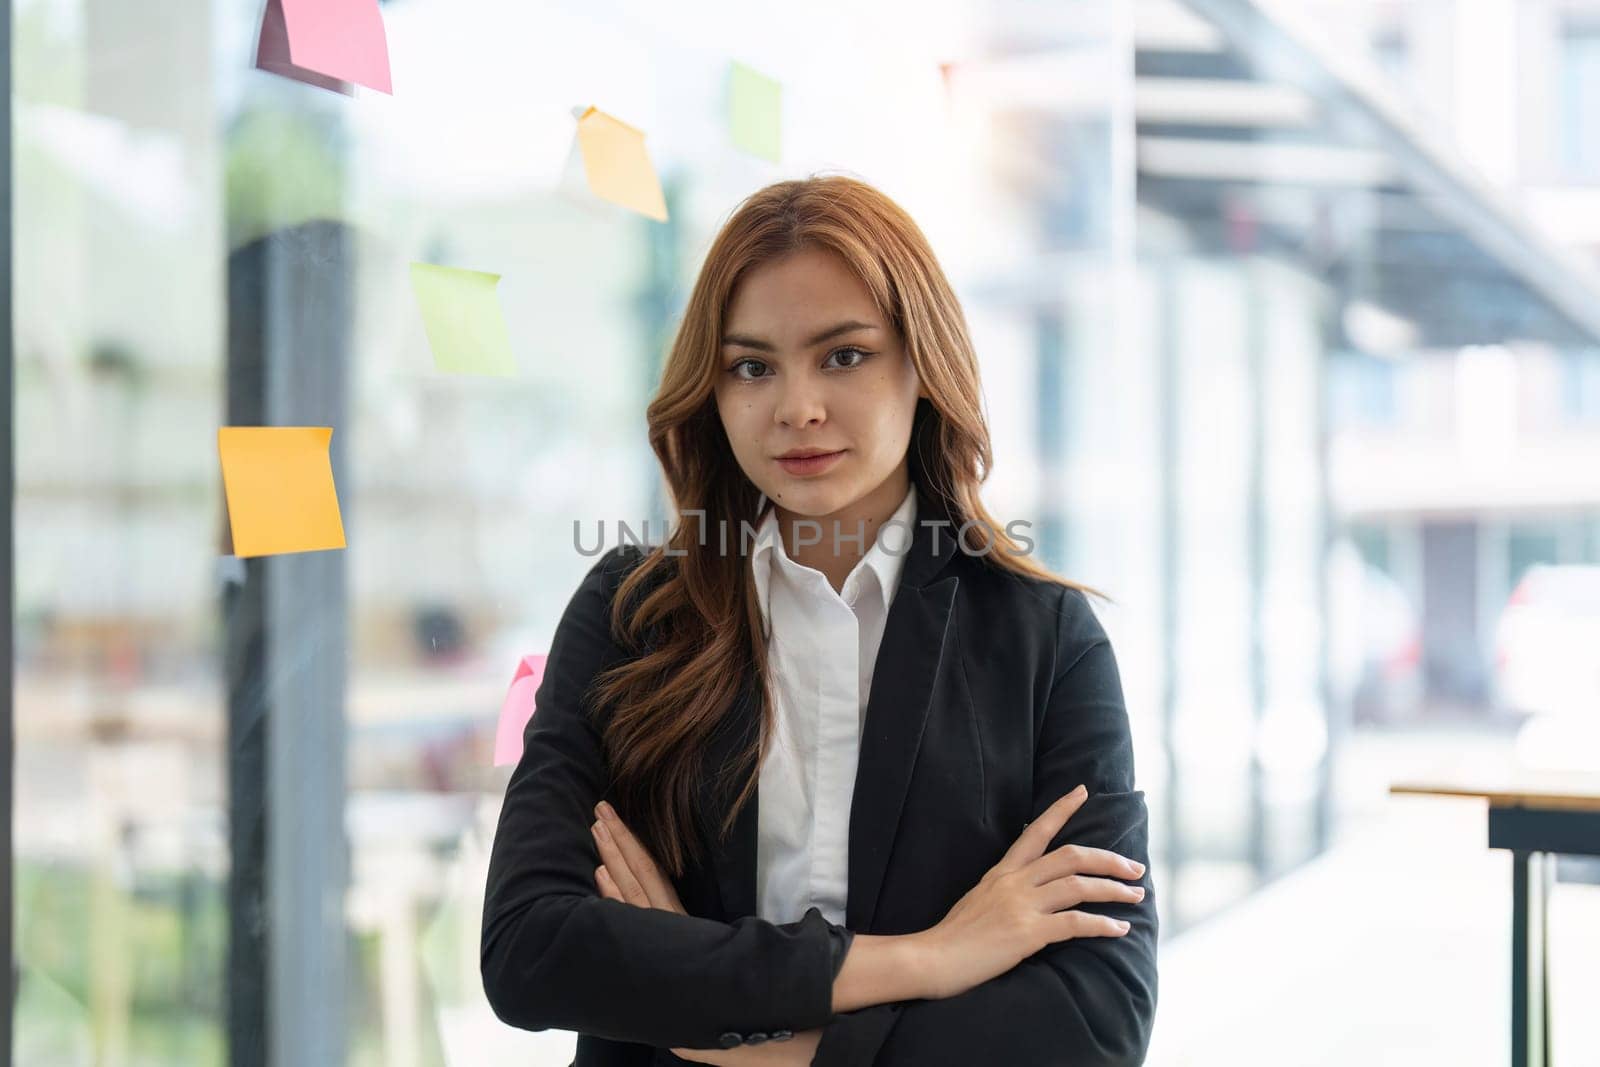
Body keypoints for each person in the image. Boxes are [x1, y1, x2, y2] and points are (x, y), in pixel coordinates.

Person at [481, 175, 1158, 1066]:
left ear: (924, 365)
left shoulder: (1045, 640)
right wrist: (931, 958)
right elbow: (529, 950)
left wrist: (741, 1037)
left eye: (843, 355)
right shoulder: (631, 615)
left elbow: (1095, 1025)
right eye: (752, 366)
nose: (796, 407)